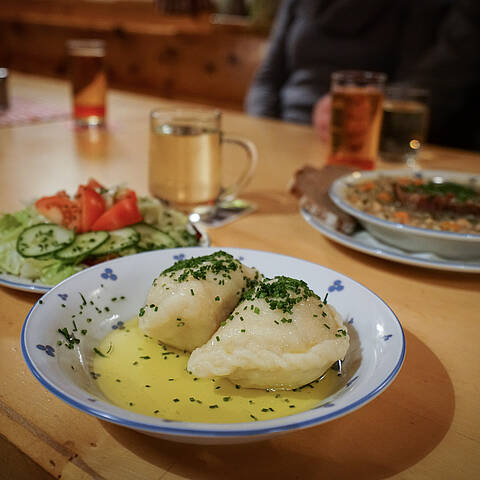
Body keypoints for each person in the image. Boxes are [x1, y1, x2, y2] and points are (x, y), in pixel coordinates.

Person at [245, 0, 480, 151]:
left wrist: (362, 112)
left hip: (357, 142)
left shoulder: (414, 9)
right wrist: (265, 129)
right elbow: (267, 77)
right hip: (282, 133)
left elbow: (416, 89)